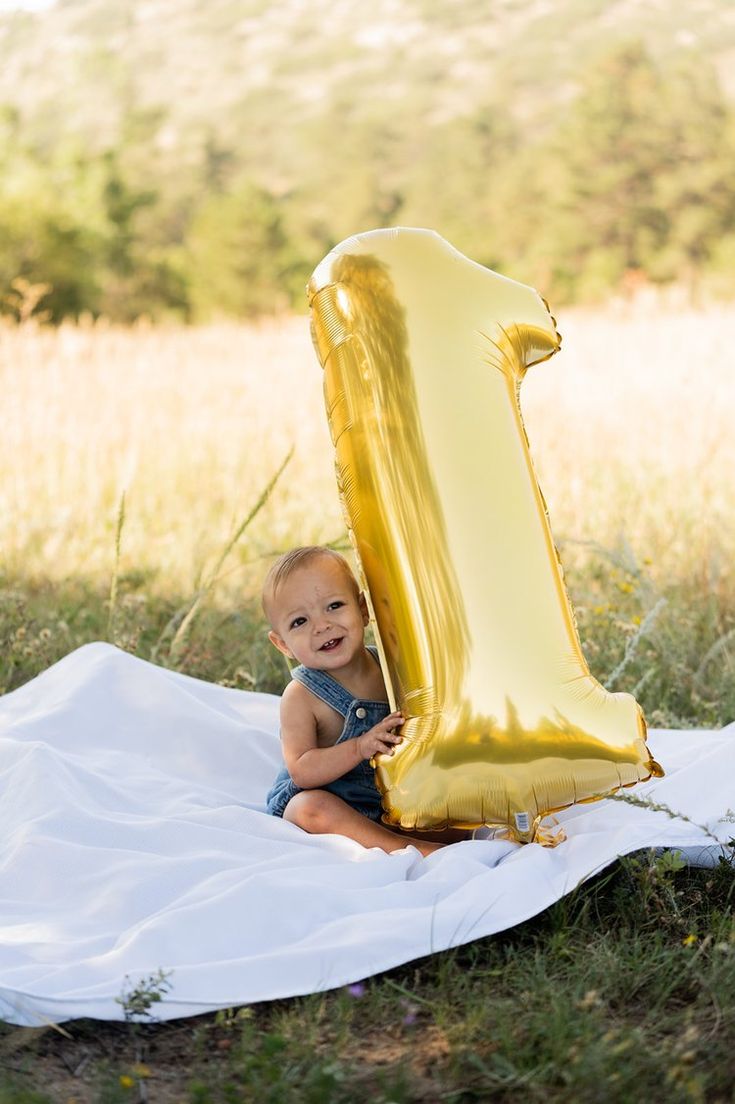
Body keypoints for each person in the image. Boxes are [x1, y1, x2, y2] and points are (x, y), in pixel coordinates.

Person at [263, 545, 462, 856]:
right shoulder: (301, 697)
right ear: (282, 644)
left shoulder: (389, 668)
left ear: (364, 610)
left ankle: (457, 835)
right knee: (307, 808)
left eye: (334, 606)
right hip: (335, 806)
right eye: (299, 622)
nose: (321, 625)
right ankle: (408, 848)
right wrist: (358, 747)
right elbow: (302, 769)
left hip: (392, 801)